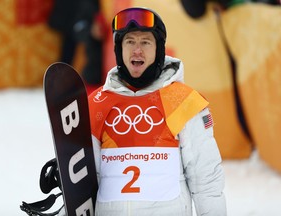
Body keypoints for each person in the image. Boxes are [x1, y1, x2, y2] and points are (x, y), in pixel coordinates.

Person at [88, 7, 227, 216]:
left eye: (145, 42)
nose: (137, 50)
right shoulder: (97, 104)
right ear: (119, 50)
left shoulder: (182, 102)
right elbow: (81, 187)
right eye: (130, 42)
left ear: (159, 50)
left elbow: (206, 180)